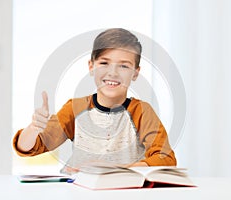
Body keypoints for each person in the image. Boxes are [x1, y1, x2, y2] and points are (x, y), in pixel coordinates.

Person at [13, 28, 176, 173]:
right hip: (78, 191)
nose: (113, 72)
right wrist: (34, 129)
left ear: (135, 73)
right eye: (104, 63)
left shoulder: (142, 112)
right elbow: (28, 148)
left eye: (124, 66)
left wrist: (112, 170)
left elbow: (166, 159)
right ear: (91, 67)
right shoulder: (75, 108)